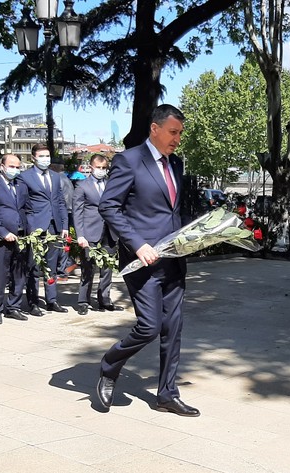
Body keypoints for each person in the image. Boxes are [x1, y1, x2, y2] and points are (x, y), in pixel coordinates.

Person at [96, 104, 199, 417]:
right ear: (155, 129)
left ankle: (167, 394)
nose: (177, 138)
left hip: (173, 259)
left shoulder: (176, 164)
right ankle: (109, 365)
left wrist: (191, 237)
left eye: (180, 133)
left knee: (173, 328)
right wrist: (138, 244)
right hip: (142, 261)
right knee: (150, 326)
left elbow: (173, 210)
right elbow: (109, 206)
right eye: (173, 132)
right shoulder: (129, 160)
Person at [20, 144, 69, 315]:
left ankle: (52, 300)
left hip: (54, 227)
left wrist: (64, 225)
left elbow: (60, 201)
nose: (45, 159)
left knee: (51, 266)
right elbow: (22, 204)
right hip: (35, 227)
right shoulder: (24, 177)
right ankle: (33, 302)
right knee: (33, 266)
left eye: (47, 156)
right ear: (33, 158)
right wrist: (29, 227)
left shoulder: (55, 177)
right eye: (41, 156)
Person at [0, 154, 29, 325]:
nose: (15, 170)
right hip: (1, 238)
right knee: (0, 274)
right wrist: (2, 232)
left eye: (18, 167)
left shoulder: (21, 186)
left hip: (21, 235)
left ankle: (14, 306)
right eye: (11, 166)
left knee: (19, 272)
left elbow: (26, 208)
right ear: (2, 166)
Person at [73, 153, 122, 315]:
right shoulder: (82, 186)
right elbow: (77, 212)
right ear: (91, 167)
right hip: (90, 232)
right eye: (98, 168)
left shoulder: (111, 185)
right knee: (88, 268)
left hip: (109, 232)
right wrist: (80, 234)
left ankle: (104, 299)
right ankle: (83, 301)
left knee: (107, 267)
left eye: (104, 168)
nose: (101, 170)